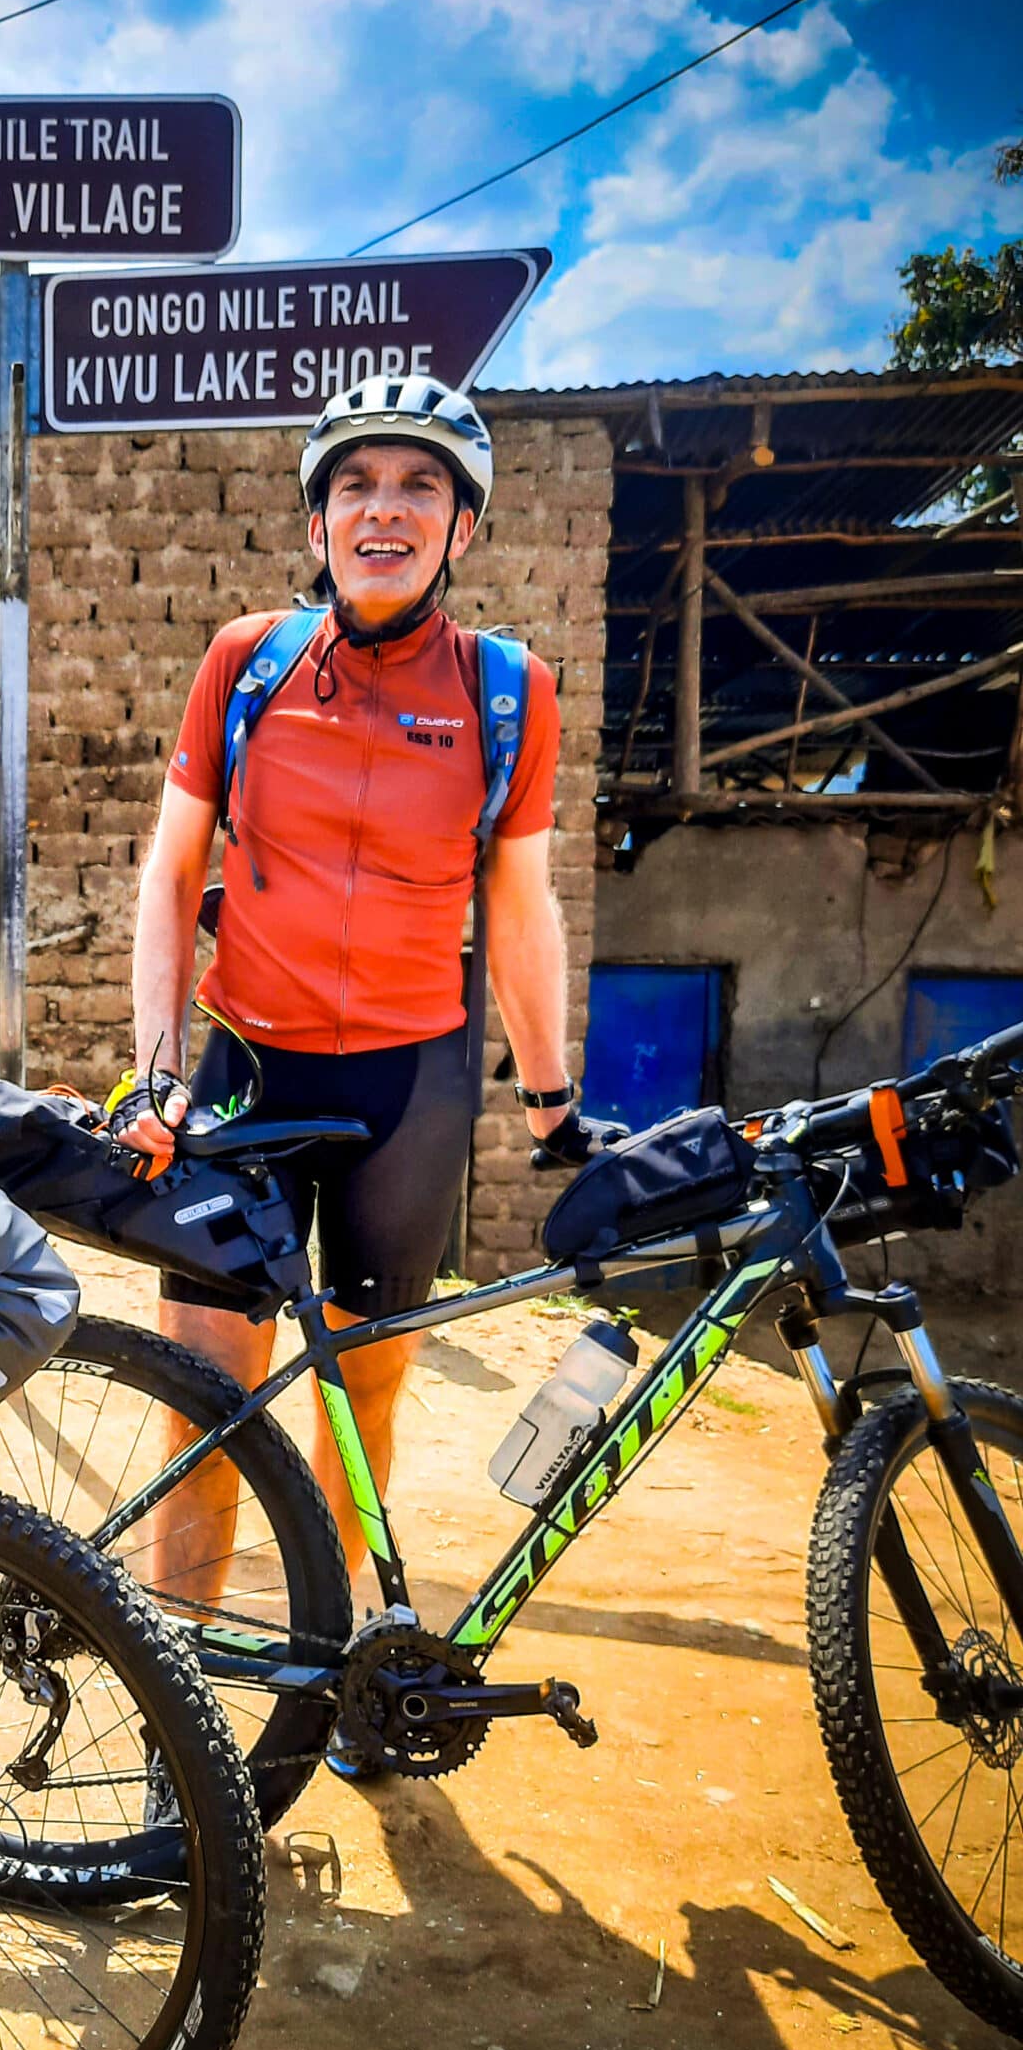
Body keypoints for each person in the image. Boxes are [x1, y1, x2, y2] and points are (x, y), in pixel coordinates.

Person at [120, 374, 615, 1616]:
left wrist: (550, 1099)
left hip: (410, 1088)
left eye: (419, 486)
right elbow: (172, 872)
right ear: (318, 522)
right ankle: (178, 1673)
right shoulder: (246, 662)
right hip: (245, 1073)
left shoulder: (509, 691)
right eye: (356, 484)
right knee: (206, 1401)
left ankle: (340, 1655)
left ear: (461, 527)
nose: (383, 508)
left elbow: (519, 908)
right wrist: (157, 1070)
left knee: (362, 1397)